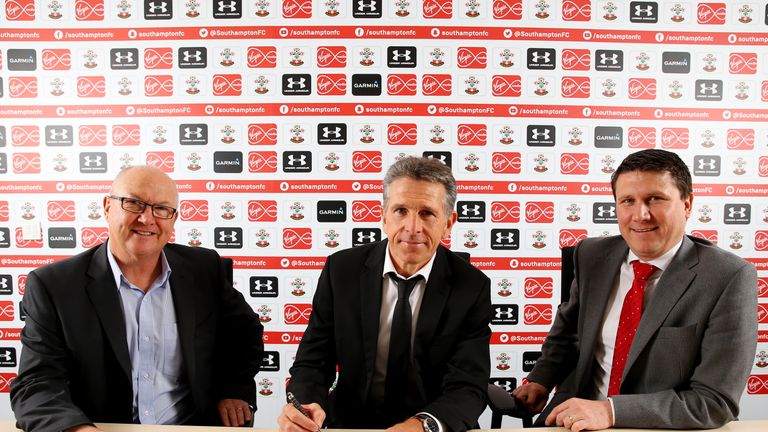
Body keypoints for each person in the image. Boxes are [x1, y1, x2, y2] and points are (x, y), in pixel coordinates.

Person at [513, 149, 758, 431]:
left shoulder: (728, 277)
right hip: (575, 418)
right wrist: (541, 379)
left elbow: (715, 402)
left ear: (687, 204)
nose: (640, 215)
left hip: (663, 426)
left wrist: (610, 411)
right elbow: (568, 331)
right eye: (628, 201)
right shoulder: (591, 255)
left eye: (655, 198)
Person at [11, 166, 264, 431]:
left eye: (162, 209)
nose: (147, 219)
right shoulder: (55, 285)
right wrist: (76, 428)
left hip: (191, 425)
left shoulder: (203, 269)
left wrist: (234, 389)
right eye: (134, 203)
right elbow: (35, 383)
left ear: (173, 219)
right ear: (107, 207)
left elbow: (245, 334)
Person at [278, 157, 492, 432]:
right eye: (401, 210)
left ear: (449, 223)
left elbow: (467, 384)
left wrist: (421, 425)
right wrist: (306, 404)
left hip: (432, 425)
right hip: (352, 423)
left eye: (427, 213)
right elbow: (313, 360)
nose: (412, 228)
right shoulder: (341, 271)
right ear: (383, 216)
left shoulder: (472, 286)